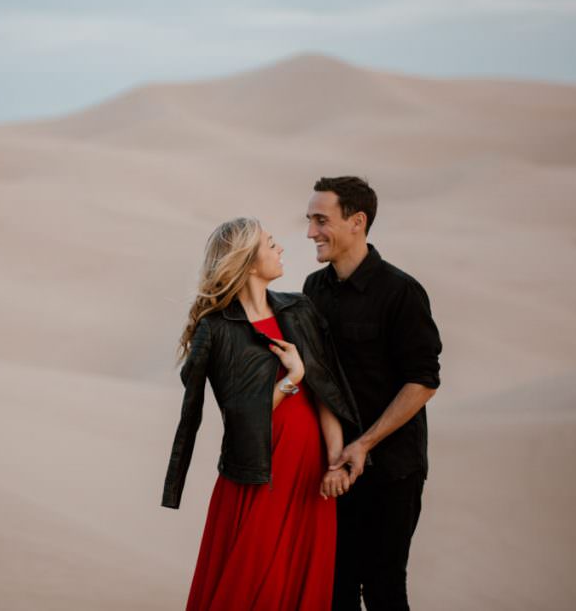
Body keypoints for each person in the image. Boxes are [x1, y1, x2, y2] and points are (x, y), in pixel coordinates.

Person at [161, 216, 360, 611]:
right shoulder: (216, 329)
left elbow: (326, 392)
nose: (281, 248)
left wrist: (336, 461)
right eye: (271, 244)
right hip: (257, 474)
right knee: (248, 586)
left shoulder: (299, 309)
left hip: (308, 471)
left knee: (301, 584)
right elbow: (240, 417)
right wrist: (292, 378)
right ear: (250, 262)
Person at [303, 176, 443, 611]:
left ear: (357, 222)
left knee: (383, 589)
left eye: (321, 220)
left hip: (392, 470)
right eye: (310, 220)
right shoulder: (313, 289)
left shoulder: (400, 291)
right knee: (335, 588)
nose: (310, 232)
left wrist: (364, 444)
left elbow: (423, 381)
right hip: (331, 470)